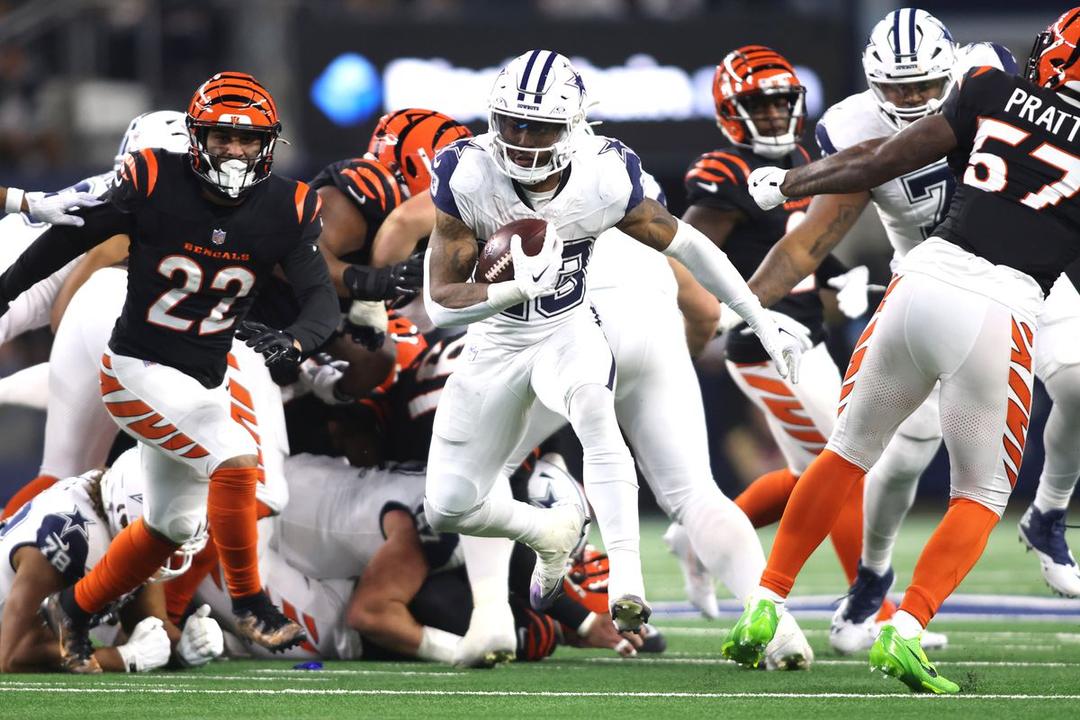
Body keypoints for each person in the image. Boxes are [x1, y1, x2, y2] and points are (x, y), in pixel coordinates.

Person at [723, 8, 1080, 694]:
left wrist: (791, 182)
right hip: (1001, 301)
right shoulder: (985, 76)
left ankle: (766, 600)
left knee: (845, 452)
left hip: (918, 280)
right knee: (980, 492)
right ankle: (906, 624)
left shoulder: (987, 86)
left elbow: (882, 158)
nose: (912, 97)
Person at [422, 50, 804, 660]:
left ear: (573, 127)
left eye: (541, 128)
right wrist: (727, 332)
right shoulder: (488, 172)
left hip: (575, 325)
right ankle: (779, 629)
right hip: (594, 329)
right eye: (514, 124)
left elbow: (687, 245)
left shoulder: (601, 179)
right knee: (693, 493)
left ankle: (505, 610)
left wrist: (756, 318)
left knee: (541, 447)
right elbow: (699, 300)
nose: (523, 142)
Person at [0, 71, 339, 672]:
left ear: (269, 144)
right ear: (195, 138)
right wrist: (5, 290)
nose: (234, 151)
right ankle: (251, 604)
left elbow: (320, 301)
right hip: (136, 366)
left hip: (201, 377)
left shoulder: (287, 205)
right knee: (236, 456)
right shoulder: (154, 179)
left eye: (247, 139)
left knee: (171, 525)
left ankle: (74, 609)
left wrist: (296, 341)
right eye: (221, 137)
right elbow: (66, 244)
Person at [681, 44, 870, 618]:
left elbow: (795, 245)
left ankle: (699, 536)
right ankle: (868, 611)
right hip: (764, 341)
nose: (772, 114)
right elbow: (684, 256)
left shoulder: (805, 158)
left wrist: (839, 275)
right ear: (730, 111)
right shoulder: (725, 173)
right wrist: (717, 314)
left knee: (806, 476)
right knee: (843, 466)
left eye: (781, 102)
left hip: (808, 334)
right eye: (758, 105)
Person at [0, 460, 222, 673]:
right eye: (164, 535)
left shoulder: (124, 521)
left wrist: (183, 647)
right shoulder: (65, 537)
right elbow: (15, 655)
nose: (169, 548)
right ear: (128, 517)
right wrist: (123, 658)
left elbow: (147, 625)